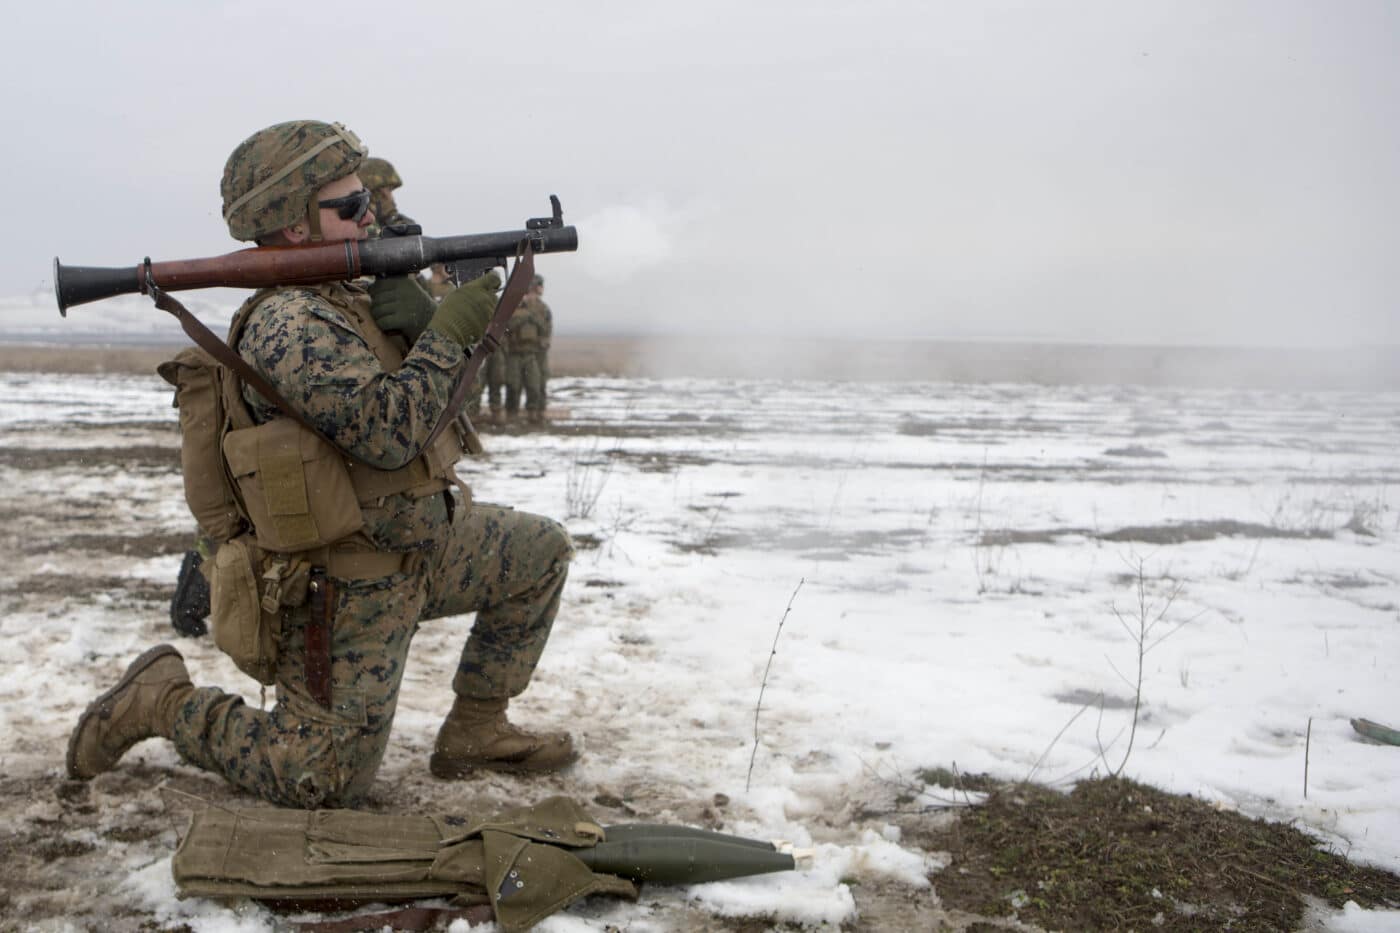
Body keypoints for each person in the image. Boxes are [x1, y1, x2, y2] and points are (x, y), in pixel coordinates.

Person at [68, 120, 577, 810]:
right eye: (351, 206)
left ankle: (476, 729)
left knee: (539, 553)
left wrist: (423, 321)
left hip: (424, 547)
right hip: (346, 587)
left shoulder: (350, 298)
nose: (371, 215)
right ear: (297, 226)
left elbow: (432, 418)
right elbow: (389, 433)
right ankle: (162, 700)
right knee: (323, 779)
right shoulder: (290, 325)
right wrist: (453, 330)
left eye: (369, 199)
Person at [505, 274, 553, 425]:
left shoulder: (542, 308)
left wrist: (533, 318)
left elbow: (546, 329)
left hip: (533, 352)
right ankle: (511, 414)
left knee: (534, 385)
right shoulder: (514, 306)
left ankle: (533, 413)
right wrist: (525, 316)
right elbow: (508, 327)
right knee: (513, 384)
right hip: (514, 352)